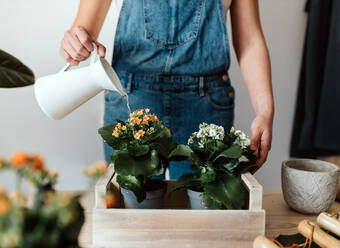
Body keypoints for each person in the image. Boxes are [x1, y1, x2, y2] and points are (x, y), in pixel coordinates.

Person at [60, 0, 274, 179]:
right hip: (131, 103)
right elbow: (84, 28)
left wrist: (265, 110)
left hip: (206, 107)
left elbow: (250, 39)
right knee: (130, 219)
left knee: (203, 222)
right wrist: (76, 43)